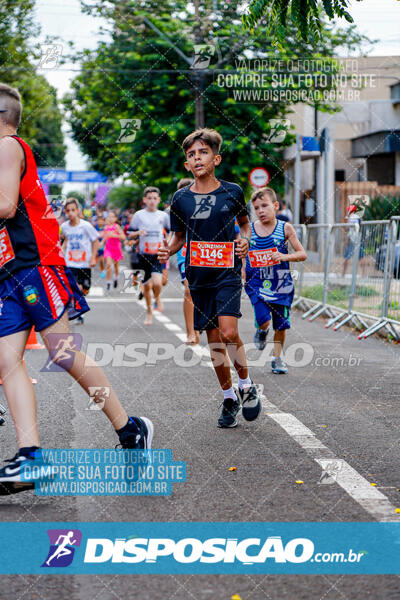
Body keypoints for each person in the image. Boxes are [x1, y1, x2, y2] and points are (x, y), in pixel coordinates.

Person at [0, 83, 153, 495]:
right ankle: (30, 457)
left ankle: (130, 429)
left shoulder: (8, 145)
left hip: (36, 266)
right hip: (10, 273)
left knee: (62, 353)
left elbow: (5, 206)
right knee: (6, 361)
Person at [158, 128, 261, 428]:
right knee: (215, 343)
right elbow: (178, 237)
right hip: (198, 275)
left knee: (229, 333)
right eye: (191, 155)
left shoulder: (232, 191)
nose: (197, 158)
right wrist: (167, 251)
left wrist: (245, 241)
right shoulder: (180, 199)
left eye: (202, 152)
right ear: (187, 164)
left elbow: (245, 225)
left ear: (216, 158)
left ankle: (247, 384)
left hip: (226, 273)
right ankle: (229, 397)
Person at [244, 187, 307, 374]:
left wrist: (283, 257)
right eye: (256, 208)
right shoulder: (249, 229)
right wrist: (241, 272)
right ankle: (262, 330)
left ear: (276, 206)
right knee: (263, 319)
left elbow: (302, 254)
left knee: (281, 324)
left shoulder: (285, 228)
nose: (260, 211)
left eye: (264, 206)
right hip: (256, 282)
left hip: (281, 283)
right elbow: (243, 253)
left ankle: (277, 358)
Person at [128, 187, 170, 325]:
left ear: (158, 200)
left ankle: (157, 298)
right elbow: (130, 233)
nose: (152, 201)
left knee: (157, 283)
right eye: (149, 198)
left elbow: (171, 232)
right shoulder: (139, 215)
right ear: (144, 200)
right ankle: (149, 312)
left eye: (155, 198)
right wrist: (139, 232)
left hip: (157, 254)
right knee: (146, 287)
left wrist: (167, 244)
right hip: (143, 255)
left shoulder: (163, 216)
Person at [61, 198, 99, 324]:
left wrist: (93, 257)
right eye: (68, 211)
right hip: (70, 262)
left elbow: (95, 241)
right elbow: (63, 240)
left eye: (73, 210)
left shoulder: (86, 226)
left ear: (78, 211)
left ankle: (80, 303)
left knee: (85, 289)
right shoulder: (64, 227)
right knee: (75, 287)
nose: (70, 213)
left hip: (85, 262)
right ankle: (78, 313)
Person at [175, 178, 199, 345]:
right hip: (184, 254)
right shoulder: (176, 212)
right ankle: (191, 332)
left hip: (204, 255)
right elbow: (174, 236)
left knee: (203, 292)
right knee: (189, 290)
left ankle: (201, 322)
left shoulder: (205, 207)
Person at [103, 210, 126, 291]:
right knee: (108, 264)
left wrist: (114, 235)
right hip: (108, 249)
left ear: (115, 218)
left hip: (116, 249)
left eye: (112, 216)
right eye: (109, 216)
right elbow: (105, 237)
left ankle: (116, 278)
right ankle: (108, 282)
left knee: (116, 266)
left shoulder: (116, 226)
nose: (110, 218)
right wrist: (101, 242)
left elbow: (123, 237)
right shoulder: (106, 227)